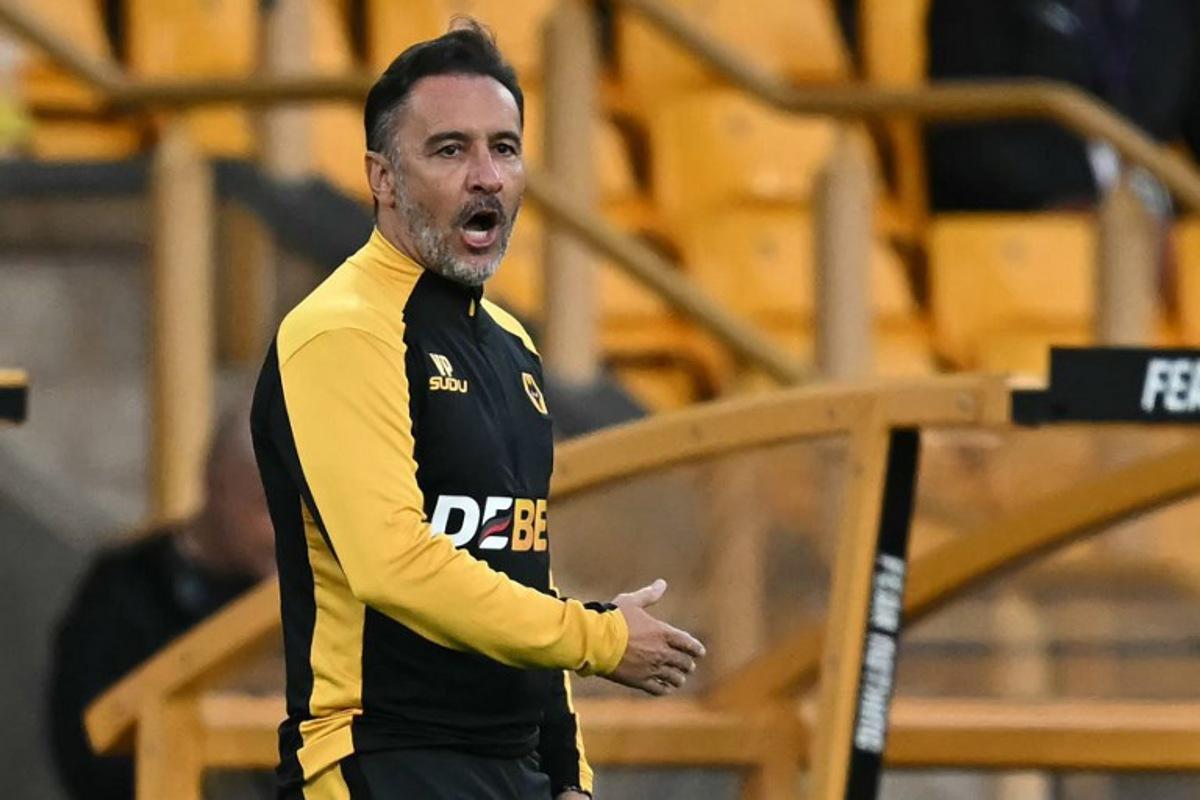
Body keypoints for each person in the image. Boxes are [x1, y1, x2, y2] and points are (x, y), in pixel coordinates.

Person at [250, 19, 705, 800]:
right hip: (383, 758)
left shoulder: (511, 345)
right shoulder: (341, 331)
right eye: (450, 150)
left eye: (505, 148)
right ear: (382, 177)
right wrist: (598, 637)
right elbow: (394, 564)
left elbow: (522, 571)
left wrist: (567, 773)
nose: (487, 176)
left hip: (512, 767)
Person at [48, 408, 276, 800]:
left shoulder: (304, 598)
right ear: (218, 484)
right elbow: (86, 741)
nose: (285, 530)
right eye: (266, 505)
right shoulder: (126, 590)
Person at [925, 0, 1200, 211]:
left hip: (1152, 205)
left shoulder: (1177, 10)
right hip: (1024, 215)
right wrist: (1084, 190)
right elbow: (967, 137)